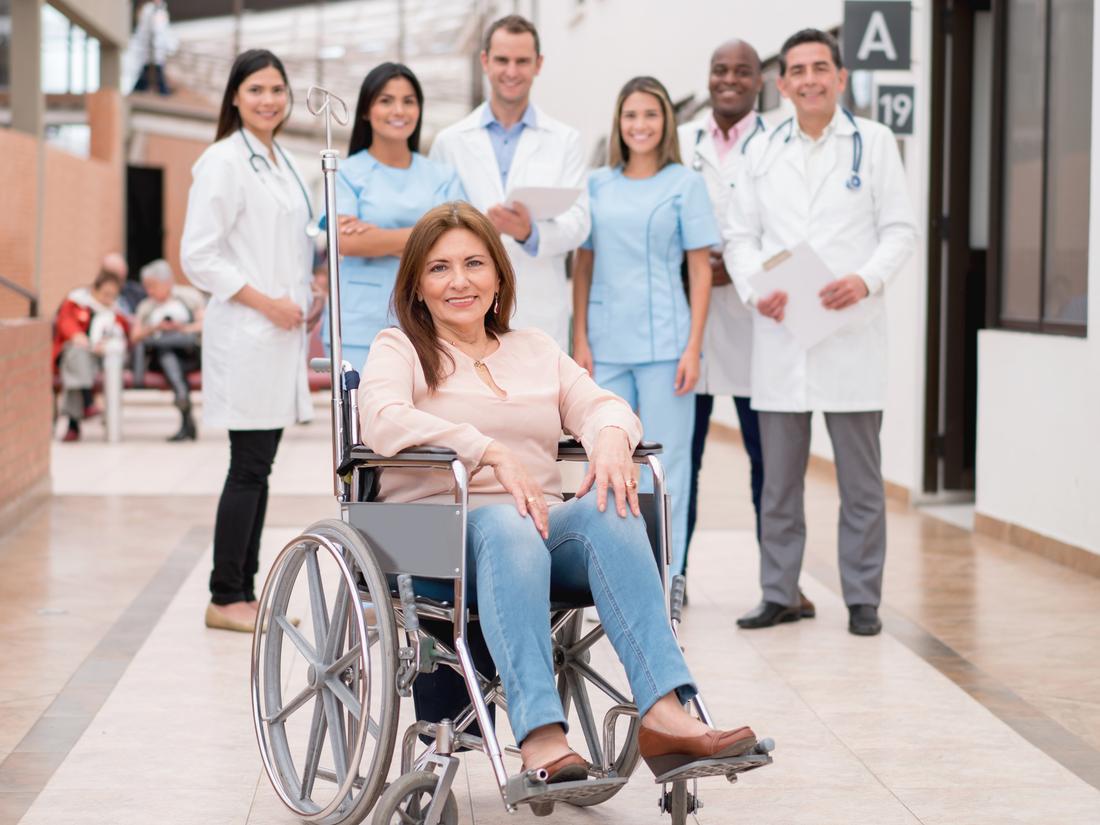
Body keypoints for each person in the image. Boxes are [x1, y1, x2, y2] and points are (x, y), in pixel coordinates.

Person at [359, 201, 758, 782]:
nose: (459, 281)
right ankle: (541, 735)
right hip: (438, 531)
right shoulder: (399, 349)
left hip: (538, 526)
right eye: (439, 268)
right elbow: (382, 419)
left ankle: (667, 714)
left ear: (498, 276)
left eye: (474, 263)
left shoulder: (536, 349)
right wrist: (485, 448)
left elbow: (602, 405)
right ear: (417, 285)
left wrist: (612, 439)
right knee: (508, 524)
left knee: (614, 508)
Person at [723, 29, 917, 635]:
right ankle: (778, 591)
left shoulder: (874, 143)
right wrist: (758, 289)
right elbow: (739, 237)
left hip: (851, 333)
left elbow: (901, 230)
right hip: (783, 334)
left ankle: (863, 598)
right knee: (779, 482)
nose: (808, 79)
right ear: (781, 84)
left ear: (839, 77)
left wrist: (866, 279)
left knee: (861, 482)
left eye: (820, 68)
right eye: (797, 71)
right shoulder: (759, 150)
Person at [678, 40, 816, 619]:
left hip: (764, 324)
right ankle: (672, 577)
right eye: (719, 70)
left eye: (742, 71)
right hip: (692, 327)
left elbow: (790, 225)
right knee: (685, 460)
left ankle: (781, 586)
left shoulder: (782, 142)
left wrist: (738, 273)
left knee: (772, 464)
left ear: (761, 79)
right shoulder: (681, 141)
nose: (729, 80)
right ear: (707, 77)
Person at [181, 49, 314, 633]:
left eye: (277, 90)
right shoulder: (223, 161)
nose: (269, 100)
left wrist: (306, 292)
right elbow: (198, 256)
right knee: (249, 467)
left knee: (258, 466)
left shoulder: (278, 159)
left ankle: (244, 589)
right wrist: (268, 302)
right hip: (249, 332)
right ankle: (225, 593)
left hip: (277, 333)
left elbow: (285, 242)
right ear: (235, 96)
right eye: (256, 89)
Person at [572, 76, 715, 578]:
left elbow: (700, 270)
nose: (640, 125)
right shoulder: (596, 184)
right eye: (630, 115)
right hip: (607, 342)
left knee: (668, 463)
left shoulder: (686, 184)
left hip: (667, 344)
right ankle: (613, 570)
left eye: (650, 115)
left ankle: (667, 573)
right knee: (606, 460)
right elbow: (583, 265)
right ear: (618, 123)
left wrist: (694, 347)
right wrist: (581, 338)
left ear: (666, 122)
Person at [429, 14, 588, 348]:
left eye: (522, 61)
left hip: (539, 307)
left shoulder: (565, 140)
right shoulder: (450, 141)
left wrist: (529, 233)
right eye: (502, 60)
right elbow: (434, 229)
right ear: (485, 61)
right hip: (466, 307)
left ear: (538, 64)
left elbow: (579, 223)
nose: (511, 72)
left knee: (539, 396)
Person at [325, 62, 465, 370]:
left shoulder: (441, 175)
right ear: (366, 110)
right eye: (386, 100)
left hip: (430, 320)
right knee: (360, 414)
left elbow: (458, 242)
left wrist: (377, 237)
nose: (398, 110)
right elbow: (345, 243)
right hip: (360, 324)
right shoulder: (344, 174)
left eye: (408, 101)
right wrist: (428, 235)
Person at [52, 270, 130, 442]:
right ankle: (87, 401)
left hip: (102, 359)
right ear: (94, 289)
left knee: (76, 369)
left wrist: (106, 344)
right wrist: (78, 337)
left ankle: (73, 424)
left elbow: (123, 334)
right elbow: (65, 323)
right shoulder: (75, 302)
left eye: (113, 295)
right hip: (75, 354)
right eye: (105, 294)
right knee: (76, 354)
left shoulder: (115, 312)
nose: (108, 299)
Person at [131, 259, 205, 441]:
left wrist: (181, 328)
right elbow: (135, 336)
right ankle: (182, 400)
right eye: (147, 287)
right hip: (158, 358)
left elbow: (205, 325)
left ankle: (183, 406)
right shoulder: (146, 306)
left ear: (167, 282)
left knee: (169, 354)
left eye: (153, 286)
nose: (149, 291)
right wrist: (155, 328)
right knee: (166, 353)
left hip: (188, 353)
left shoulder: (189, 297)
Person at [131, 0, 176, 95]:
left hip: (157, 50)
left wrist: (169, 46)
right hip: (150, 50)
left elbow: (164, 32)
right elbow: (147, 32)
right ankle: (158, 90)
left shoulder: (161, 11)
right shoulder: (149, 11)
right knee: (149, 71)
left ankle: (159, 89)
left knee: (155, 70)